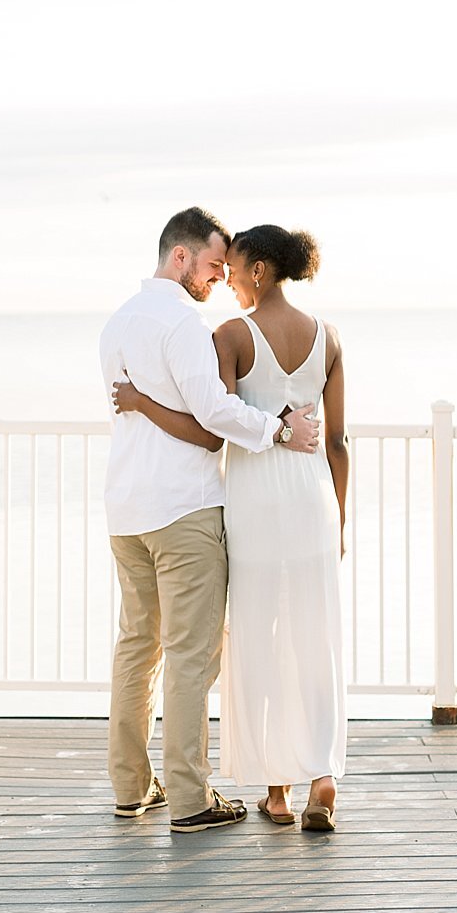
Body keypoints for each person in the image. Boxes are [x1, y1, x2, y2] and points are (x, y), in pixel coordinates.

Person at [115, 224, 350, 831]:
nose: (226, 280)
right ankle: (322, 777)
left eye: (234, 267)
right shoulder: (329, 338)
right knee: (314, 635)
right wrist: (340, 519)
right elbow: (338, 442)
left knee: (257, 637)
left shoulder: (227, 335)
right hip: (313, 500)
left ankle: (275, 790)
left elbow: (216, 419)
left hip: (250, 505)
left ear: (260, 270)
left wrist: (142, 402)